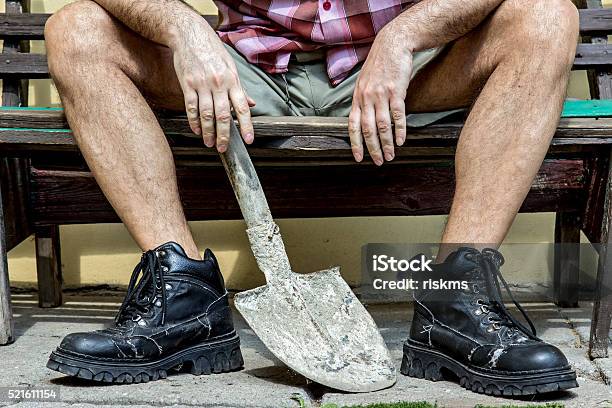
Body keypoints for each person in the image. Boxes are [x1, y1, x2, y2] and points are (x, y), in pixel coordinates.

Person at [43, 0, 579, 395]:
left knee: (546, 15)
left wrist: (403, 38)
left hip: (406, 68)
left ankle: (454, 300)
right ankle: (183, 299)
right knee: (76, 29)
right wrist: (184, 29)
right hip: (244, 68)